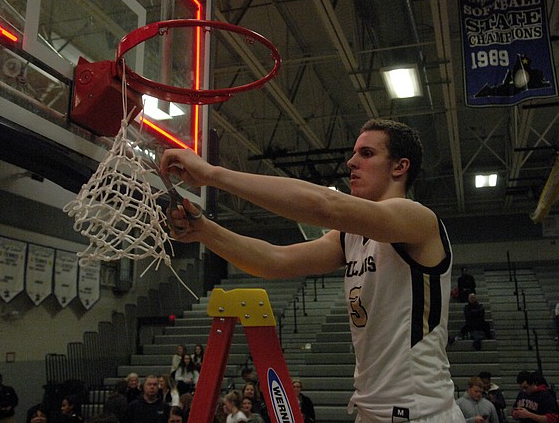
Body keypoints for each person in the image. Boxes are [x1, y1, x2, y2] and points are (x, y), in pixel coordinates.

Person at [160, 118, 465, 422]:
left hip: (422, 412)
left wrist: (213, 174)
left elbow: (326, 206)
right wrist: (203, 231)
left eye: (367, 154)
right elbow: (272, 261)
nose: (351, 162)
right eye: (355, 153)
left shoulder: (417, 217)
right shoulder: (351, 236)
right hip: (371, 410)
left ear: (400, 167)